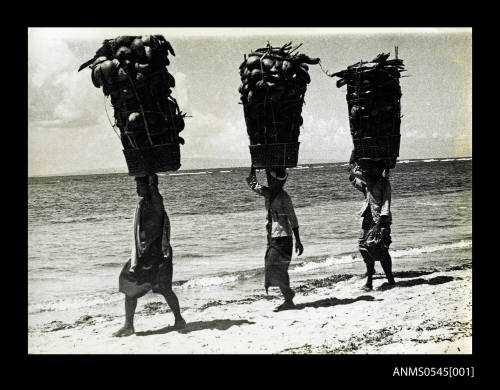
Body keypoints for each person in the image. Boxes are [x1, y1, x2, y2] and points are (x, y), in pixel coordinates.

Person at [113, 174, 186, 337]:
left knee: (135, 283)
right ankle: (178, 320)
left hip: (156, 255)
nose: (137, 189)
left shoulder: (155, 201)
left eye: (140, 185)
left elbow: (155, 189)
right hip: (147, 254)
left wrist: (152, 179)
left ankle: (129, 326)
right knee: (157, 287)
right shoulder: (145, 203)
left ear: (149, 186)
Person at [246, 166, 304, 311]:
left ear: (279, 182)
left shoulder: (284, 197)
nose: (270, 181)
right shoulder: (267, 193)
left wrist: (298, 240)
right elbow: (253, 184)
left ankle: (288, 298)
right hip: (272, 235)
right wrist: (253, 168)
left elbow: (293, 218)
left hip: (284, 237)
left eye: (272, 179)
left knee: (278, 267)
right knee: (272, 266)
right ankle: (288, 295)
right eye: (269, 179)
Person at [349, 158, 396, 290]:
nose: (370, 171)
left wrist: (379, 224)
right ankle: (369, 281)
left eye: (373, 168)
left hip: (380, 221)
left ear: (379, 170)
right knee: (365, 249)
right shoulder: (367, 184)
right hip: (366, 220)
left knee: (382, 251)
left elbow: (386, 204)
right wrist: (353, 162)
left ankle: (391, 280)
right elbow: (352, 177)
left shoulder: (384, 184)